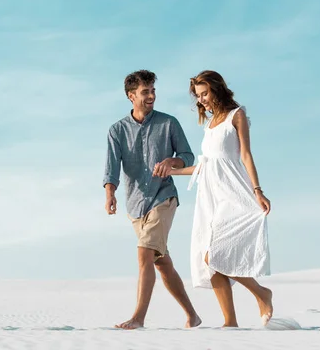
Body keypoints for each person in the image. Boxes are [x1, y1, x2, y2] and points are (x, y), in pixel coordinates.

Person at [157, 70, 273, 327]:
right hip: (210, 198)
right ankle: (230, 322)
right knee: (210, 261)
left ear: (218, 89)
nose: (202, 100)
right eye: (198, 96)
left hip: (234, 195)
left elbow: (245, 155)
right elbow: (204, 166)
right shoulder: (209, 125)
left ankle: (261, 293)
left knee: (215, 255)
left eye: (205, 93)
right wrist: (171, 171)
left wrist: (258, 190)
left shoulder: (236, 115)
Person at [103, 69, 201, 330]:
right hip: (135, 205)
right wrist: (110, 194)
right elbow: (111, 167)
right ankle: (193, 315)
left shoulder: (169, 123)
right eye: (145, 92)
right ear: (131, 96)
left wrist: (172, 161)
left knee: (145, 253)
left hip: (163, 197)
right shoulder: (117, 131)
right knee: (163, 264)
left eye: (153, 91)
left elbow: (188, 156)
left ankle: (138, 318)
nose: (151, 96)